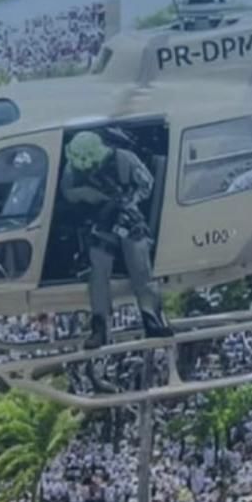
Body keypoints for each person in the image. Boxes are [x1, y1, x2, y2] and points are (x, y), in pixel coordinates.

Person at [60, 131, 173, 348]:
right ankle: (100, 326)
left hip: (128, 218)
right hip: (98, 221)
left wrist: (128, 202)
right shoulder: (72, 166)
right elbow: (67, 192)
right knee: (97, 271)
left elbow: (146, 185)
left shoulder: (125, 159)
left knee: (141, 267)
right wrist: (86, 194)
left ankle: (152, 319)